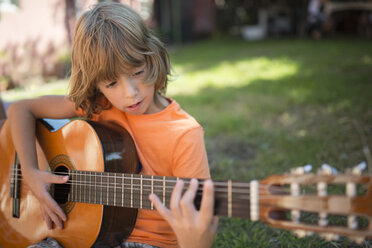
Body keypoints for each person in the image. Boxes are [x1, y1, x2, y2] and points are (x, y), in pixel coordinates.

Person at [7, 2, 218, 248]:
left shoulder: (185, 135)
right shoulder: (99, 105)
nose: (130, 93)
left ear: (153, 56)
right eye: (110, 84)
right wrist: (31, 173)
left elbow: (200, 219)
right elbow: (21, 109)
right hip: (75, 234)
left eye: (137, 72)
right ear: (95, 84)